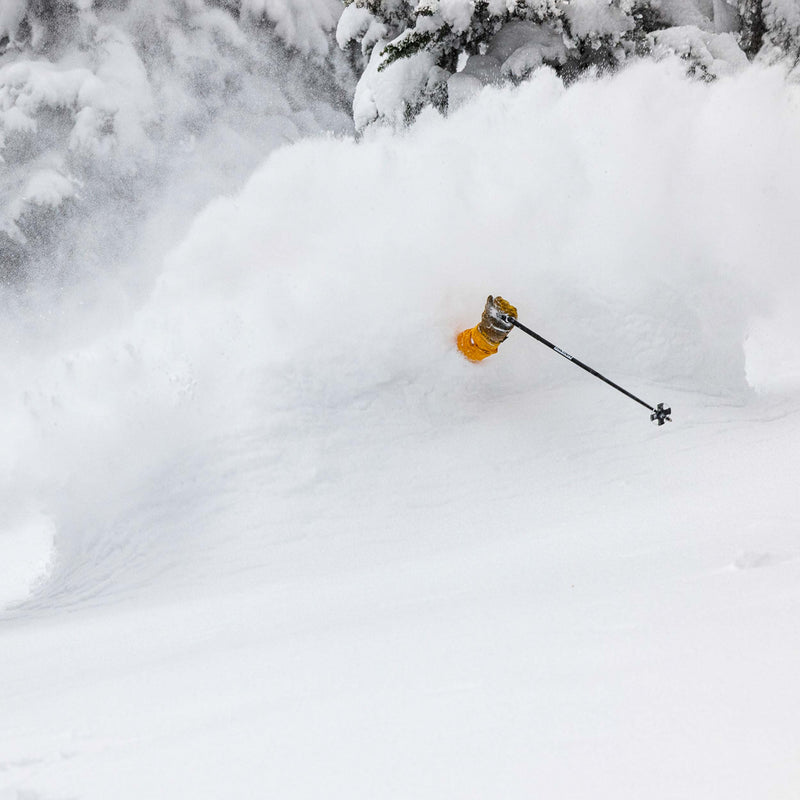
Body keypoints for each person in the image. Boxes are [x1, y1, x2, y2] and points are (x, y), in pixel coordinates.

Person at [457, 295, 518, 362]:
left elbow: (463, 349)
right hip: (469, 349)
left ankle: (484, 340)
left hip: (464, 349)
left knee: (463, 345)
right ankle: (484, 341)